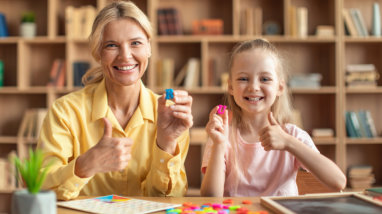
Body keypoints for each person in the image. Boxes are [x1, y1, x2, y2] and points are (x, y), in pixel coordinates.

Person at [37, 1, 193, 200]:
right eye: (112, 45)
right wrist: (85, 165)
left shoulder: (171, 115)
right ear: (98, 53)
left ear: (149, 49)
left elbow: (171, 198)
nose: (125, 56)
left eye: (135, 43)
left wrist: (167, 142)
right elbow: (41, 188)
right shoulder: (65, 111)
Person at [200, 39, 346, 197]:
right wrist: (219, 145)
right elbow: (210, 198)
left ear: (280, 87)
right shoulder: (221, 136)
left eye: (265, 79)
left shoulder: (292, 135)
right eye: (243, 79)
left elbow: (338, 182)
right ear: (230, 87)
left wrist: (289, 143)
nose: (254, 87)